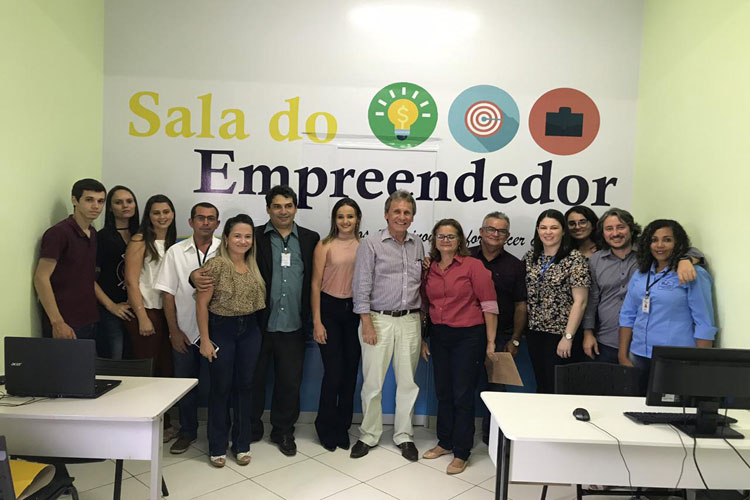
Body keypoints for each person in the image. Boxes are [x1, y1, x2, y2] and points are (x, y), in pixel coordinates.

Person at [351, 190, 424, 462]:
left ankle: (404, 436)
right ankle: (369, 434)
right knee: (373, 383)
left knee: (408, 383)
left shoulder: (418, 244)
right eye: (397, 211)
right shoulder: (371, 243)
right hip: (377, 320)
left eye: (407, 212)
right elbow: (361, 285)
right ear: (386, 214)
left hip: (410, 320)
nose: (402, 217)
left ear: (412, 216)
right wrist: (366, 322)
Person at [421, 219, 498, 475]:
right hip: (440, 335)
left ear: (460, 240)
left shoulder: (473, 266)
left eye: (451, 236)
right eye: (441, 236)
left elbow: (489, 305)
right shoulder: (429, 267)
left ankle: (462, 451)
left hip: (468, 336)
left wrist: (490, 342)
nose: (445, 240)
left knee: (463, 393)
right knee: (443, 391)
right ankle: (445, 442)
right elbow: (424, 304)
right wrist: (423, 337)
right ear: (434, 240)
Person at [250, 186, 320, 456]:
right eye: (277, 206)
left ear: (295, 208)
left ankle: (283, 430)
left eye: (288, 206)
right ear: (268, 209)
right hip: (259, 324)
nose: (283, 211)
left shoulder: (310, 239)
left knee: (289, 382)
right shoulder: (254, 236)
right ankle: (250, 427)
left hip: (293, 324)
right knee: (253, 380)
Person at [582, 209, 702, 363]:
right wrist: (588, 333)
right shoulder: (595, 260)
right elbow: (592, 300)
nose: (615, 233)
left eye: (621, 227)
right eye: (609, 229)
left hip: (641, 343)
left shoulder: (650, 252)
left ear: (631, 229)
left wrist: (686, 259)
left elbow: (689, 250)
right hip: (606, 340)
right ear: (603, 233)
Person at [196, 214, 266, 468]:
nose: (243, 240)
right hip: (221, 329)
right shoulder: (215, 266)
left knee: (246, 387)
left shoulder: (253, 265)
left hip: (250, 330)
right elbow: (201, 305)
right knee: (221, 388)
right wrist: (204, 339)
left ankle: (241, 444)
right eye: (237, 235)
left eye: (247, 236)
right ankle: (217, 445)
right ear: (225, 238)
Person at [618, 219, 717, 392]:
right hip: (639, 354)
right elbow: (628, 315)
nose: (659, 245)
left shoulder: (692, 274)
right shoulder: (641, 273)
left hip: (674, 359)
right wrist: (622, 354)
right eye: (654, 240)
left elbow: (704, 323)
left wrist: (702, 365)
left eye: (667, 240)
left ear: (678, 243)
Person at [155, 202, 221, 454]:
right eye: (200, 218)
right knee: (185, 386)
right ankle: (187, 431)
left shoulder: (225, 250)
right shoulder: (175, 252)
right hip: (183, 331)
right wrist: (174, 331)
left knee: (218, 386)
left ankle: (217, 434)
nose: (206, 223)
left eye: (211, 219)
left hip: (217, 333)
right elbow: (168, 294)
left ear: (217, 223)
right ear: (191, 222)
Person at [469, 212, 527, 444]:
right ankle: (458, 436)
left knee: (496, 390)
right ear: (481, 232)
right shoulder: (465, 257)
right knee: (464, 386)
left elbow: (520, 305)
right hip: (467, 333)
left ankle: (491, 437)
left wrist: (514, 339)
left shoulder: (515, 265)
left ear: (508, 236)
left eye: (501, 231)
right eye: (490, 229)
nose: (495, 234)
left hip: (502, 335)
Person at [124, 194, 178, 441]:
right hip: (147, 314)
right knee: (147, 373)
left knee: (165, 372)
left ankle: (163, 425)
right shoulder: (139, 241)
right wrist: (142, 316)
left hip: (168, 313)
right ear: (148, 216)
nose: (162, 216)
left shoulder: (174, 243)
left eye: (166, 211)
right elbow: (131, 282)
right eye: (156, 212)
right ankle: (143, 427)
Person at [311, 198, 362, 452]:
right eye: (341, 216)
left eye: (350, 216)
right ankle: (325, 426)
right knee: (333, 373)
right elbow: (315, 285)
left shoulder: (364, 246)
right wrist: (317, 321)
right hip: (329, 311)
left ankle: (343, 427)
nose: (345, 221)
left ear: (357, 219)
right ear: (335, 219)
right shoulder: (324, 245)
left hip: (354, 313)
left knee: (350, 373)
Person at [523, 209, 590, 394]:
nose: (548, 232)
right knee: (542, 385)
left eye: (554, 227)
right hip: (535, 333)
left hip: (561, 334)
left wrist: (567, 337)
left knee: (559, 389)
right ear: (537, 230)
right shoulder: (531, 258)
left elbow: (580, 302)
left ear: (563, 231)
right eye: (543, 227)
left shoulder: (574, 259)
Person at [34, 179, 106, 340]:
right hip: (65, 322)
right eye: (89, 200)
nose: (96, 206)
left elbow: (86, 276)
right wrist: (57, 322)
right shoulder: (58, 233)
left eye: (100, 201)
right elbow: (41, 278)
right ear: (74, 200)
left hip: (89, 318)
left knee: (87, 365)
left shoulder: (92, 233)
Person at [95, 185, 139, 359]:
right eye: (118, 202)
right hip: (110, 309)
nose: (125, 206)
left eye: (129, 201)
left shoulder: (143, 235)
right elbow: (89, 278)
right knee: (115, 359)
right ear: (110, 208)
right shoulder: (101, 237)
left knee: (136, 359)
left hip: (138, 307)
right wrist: (111, 306)